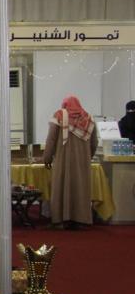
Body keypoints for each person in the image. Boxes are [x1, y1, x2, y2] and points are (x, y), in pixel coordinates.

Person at [42, 95, 98, 227]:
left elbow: (51, 139)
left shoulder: (59, 116)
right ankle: (80, 219)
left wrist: (47, 158)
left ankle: (60, 219)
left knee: (62, 187)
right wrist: (87, 157)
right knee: (80, 188)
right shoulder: (89, 118)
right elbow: (94, 142)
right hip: (82, 163)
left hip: (63, 160)